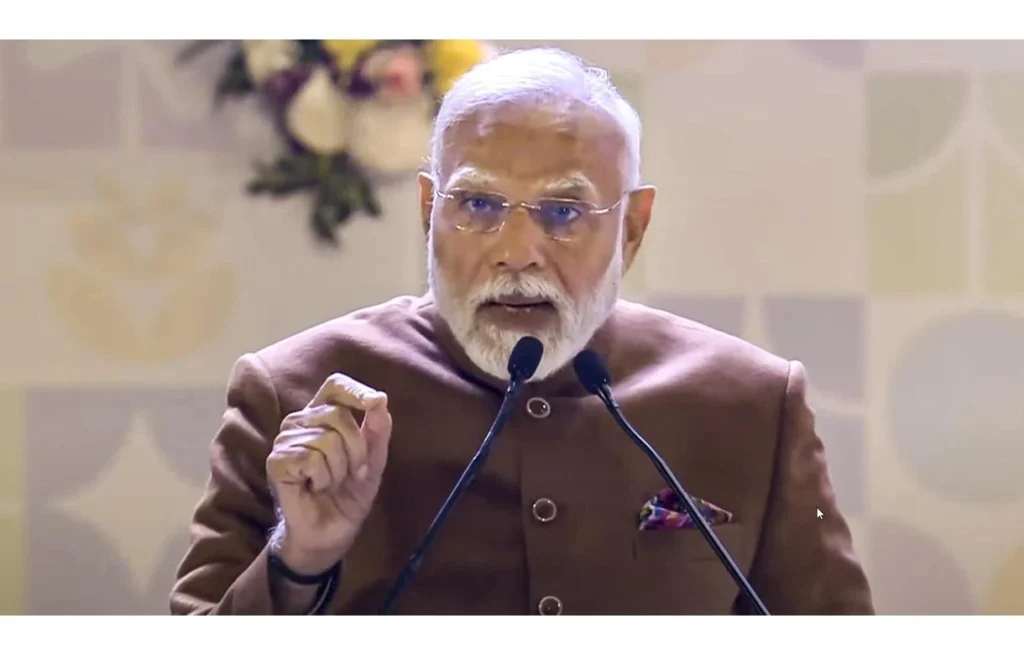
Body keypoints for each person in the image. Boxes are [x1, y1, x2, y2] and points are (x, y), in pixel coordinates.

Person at [169, 47, 874, 616]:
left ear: (632, 228)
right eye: (478, 204)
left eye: (564, 211)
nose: (516, 252)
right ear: (428, 212)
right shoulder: (294, 395)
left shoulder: (754, 404)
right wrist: (298, 560)